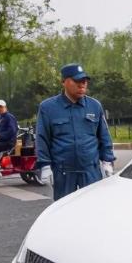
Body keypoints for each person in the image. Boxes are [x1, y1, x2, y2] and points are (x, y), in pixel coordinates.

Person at [35, 63, 115, 200]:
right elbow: (42, 139)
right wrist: (45, 165)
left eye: (84, 81)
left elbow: (104, 136)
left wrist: (107, 161)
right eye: (77, 81)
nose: (82, 84)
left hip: (90, 170)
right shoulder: (48, 108)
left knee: (92, 208)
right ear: (64, 82)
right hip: (63, 171)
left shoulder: (94, 106)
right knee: (64, 210)